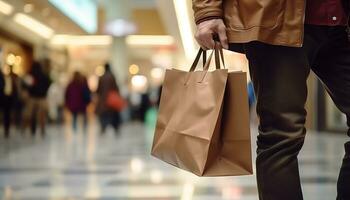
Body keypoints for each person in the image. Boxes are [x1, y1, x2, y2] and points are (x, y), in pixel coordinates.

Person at [192, 0, 350, 199]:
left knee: (281, 134)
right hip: (275, 19)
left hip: (341, 22)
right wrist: (207, 12)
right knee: (281, 133)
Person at [22, 61, 51, 137]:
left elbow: (25, 85)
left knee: (29, 114)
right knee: (41, 115)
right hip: (41, 97)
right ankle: (42, 131)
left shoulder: (31, 74)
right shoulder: (44, 75)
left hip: (33, 97)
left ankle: (25, 129)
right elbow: (49, 83)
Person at [96, 63, 122, 134]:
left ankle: (103, 127)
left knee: (103, 115)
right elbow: (116, 87)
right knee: (113, 114)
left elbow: (98, 89)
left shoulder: (102, 77)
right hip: (111, 99)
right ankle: (115, 128)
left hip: (103, 99)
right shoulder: (112, 76)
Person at [1, 65, 19, 138]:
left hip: (9, 99)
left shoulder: (13, 78)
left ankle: (7, 129)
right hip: (3, 98)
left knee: (7, 114)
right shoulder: (2, 78)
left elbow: (15, 90)